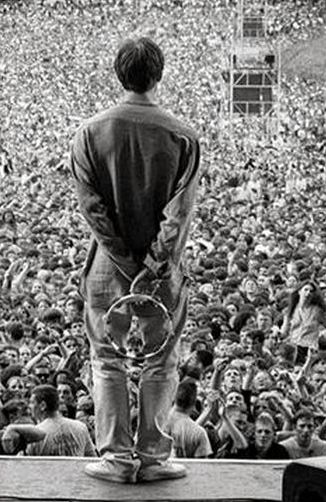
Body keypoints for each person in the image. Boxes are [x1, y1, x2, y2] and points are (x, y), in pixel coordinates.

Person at [70, 37, 202, 483]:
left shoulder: (89, 132)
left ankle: (115, 458)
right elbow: (178, 215)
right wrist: (153, 266)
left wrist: (125, 262)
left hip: (107, 269)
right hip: (162, 276)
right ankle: (153, 458)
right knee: (161, 361)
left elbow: (93, 211)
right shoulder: (183, 135)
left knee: (107, 359)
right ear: (158, 74)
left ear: (118, 73)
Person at [24, 384, 97, 457]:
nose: (29, 406)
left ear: (43, 405)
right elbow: (93, 459)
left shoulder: (34, 435)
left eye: (32, 402)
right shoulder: (80, 427)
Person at [163, 379, 212, 458]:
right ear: (194, 402)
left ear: (173, 397)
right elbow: (202, 467)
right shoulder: (199, 433)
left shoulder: (154, 421)